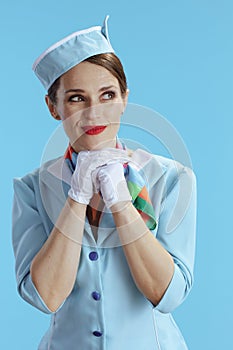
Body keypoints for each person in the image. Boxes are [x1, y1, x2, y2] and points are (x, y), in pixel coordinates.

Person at [12, 15, 196, 350]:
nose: (94, 113)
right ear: (53, 107)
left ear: (125, 98)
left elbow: (168, 294)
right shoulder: (31, 189)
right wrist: (77, 197)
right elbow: (45, 297)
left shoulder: (172, 179)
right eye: (76, 98)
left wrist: (122, 202)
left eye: (108, 95)